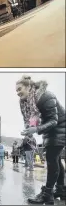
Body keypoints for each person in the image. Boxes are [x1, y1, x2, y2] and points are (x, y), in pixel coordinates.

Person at [16, 75, 66, 203]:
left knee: (51, 159)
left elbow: (54, 120)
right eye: (16, 90)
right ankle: (61, 190)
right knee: (56, 160)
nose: (18, 92)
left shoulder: (45, 96)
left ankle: (47, 194)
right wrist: (29, 129)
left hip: (61, 128)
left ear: (29, 87)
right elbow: (30, 120)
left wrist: (37, 129)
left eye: (19, 89)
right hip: (49, 131)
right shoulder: (26, 102)